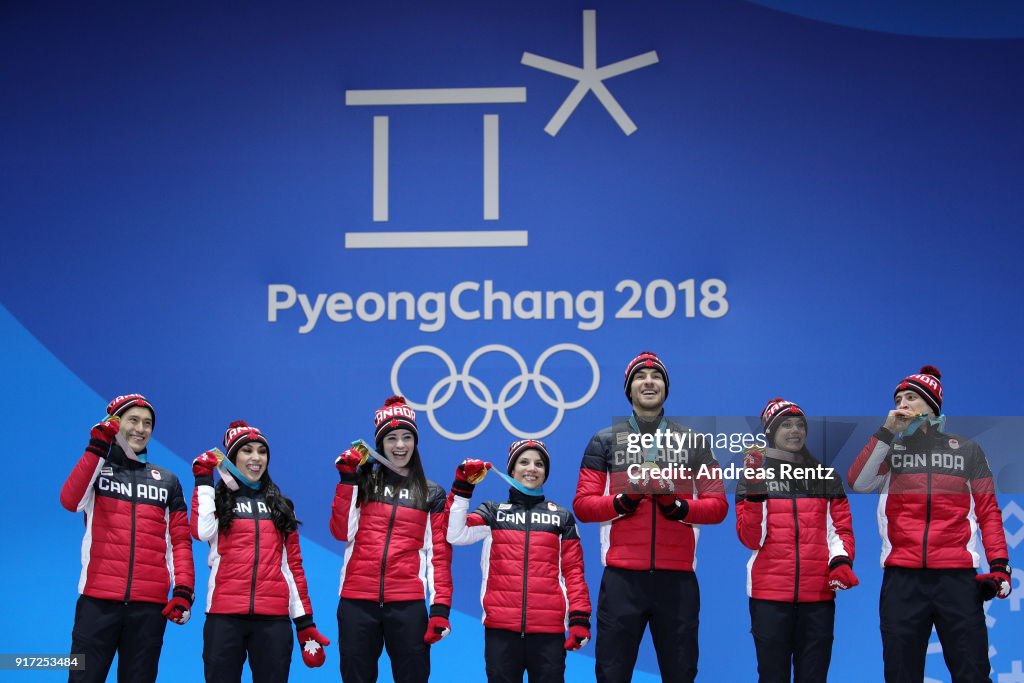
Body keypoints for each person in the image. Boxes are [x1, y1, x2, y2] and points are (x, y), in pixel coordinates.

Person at [848, 366, 1012, 682]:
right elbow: (860, 482)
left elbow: (988, 511)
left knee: (973, 674)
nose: (902, 403)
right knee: (901, 676)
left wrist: (1000, 566)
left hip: (957, 579)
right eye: (898, 398)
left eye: (911, 397)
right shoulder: (891, 449)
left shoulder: (967, 450)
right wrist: (885, 432)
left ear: (932, 406)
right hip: (903, 581)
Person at [573, 351, 728, 683]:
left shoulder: (694, 442)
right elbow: (584, 506)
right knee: (611, 675)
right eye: (640, 377)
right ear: (629, 389)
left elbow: (718, 507)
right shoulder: (604, 440)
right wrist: (624, 501)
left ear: (665, 388)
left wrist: (677, 507)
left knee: (681, 674)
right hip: (622, 580)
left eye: (656, 376)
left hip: (677, 583)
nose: (648, 382)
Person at [59, 394, 194, 683]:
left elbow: (180, 541)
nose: (140, 429)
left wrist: (183, 591)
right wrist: (97, 447)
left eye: (147, 423)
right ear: (115, 424)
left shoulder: (168, 481)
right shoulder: (98, 471)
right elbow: (70, 501)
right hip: (97, 603)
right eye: (132, 420)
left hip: (149, 609)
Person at [191, 420, 330, 682]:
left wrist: (304, 623)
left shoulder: (282, 505)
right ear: (231, 457)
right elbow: (200, 531)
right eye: (247, 451)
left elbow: (293, 568)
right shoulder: (218, 500)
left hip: (273, 621)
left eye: (262, 451)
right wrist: (203, 481)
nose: (256, 458)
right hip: (224, 617)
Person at [447, 439, 592, 683]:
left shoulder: (562, 518)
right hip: (501, 632)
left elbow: (574, 572)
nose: (532, 469)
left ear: (546, 473)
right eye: (524, 462)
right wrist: (463, 487)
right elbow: (455, 533)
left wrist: (580, 620)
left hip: (548, 634)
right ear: (511, 470)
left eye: (539, 464)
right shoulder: (493, 512)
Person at [330, 395, 453, 683]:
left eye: (407, 437)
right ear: (379, 443)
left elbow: (439, 556)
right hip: (357, 602)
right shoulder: (362, 482)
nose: (400, 445)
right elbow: (340, 532)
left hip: (407, 605)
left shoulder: (431, 493)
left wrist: (440, 609)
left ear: (415, 441)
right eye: (392, 438)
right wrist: (347, 481)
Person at [736, 398, 857, 682]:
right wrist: (754, 491)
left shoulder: (826, 477)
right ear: (770, 432)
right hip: (769, 598)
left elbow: (840, 530)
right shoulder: (754, 476)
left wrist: (841, 562)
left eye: (800, 424)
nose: (795, 430)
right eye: (786, 424)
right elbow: (751, 539)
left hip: (818, 598)